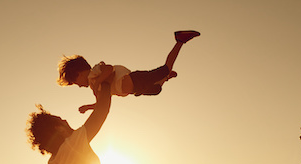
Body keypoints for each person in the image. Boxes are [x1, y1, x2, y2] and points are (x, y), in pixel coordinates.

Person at [57, 30, 200, 113]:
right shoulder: (95, 87)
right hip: (135, 89)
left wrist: (98, 82)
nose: (80, 86)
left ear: (79, 73)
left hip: (133, 79)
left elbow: (109, 69)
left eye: (76, 82)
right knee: (157, 90)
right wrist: (88, 107)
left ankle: (180, 40)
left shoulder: (95, 72)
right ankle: (166, 77)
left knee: (165, 68)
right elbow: (101, 103)